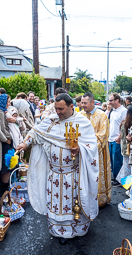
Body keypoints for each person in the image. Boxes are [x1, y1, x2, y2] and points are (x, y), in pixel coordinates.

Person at [16, 93, 99, 245]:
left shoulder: (82, 122)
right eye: (56, 108)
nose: (58, 112)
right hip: (54, 174)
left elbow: (92, 146)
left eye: (61, 109)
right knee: (57, 203)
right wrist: (25, 144)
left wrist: (79, 149)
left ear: (71, 106)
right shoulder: (51, 120)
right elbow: (36, 132)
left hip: (73, 174)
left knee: (71, 203)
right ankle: (59, 230)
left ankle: (76, 229)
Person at [80, 92, 112, 207]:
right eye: (82, 103)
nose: (83, 105)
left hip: (97, 152)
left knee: (97, 175)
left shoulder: (102, 115)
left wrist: (90, 147)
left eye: (85, 103)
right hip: (82, 152)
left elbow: (103, 135)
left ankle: (99, 200)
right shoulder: (81, 115)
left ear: (92, 102)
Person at [108, 93, 127, 185]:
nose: (109, 102)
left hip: (117, 139)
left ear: (117, 100)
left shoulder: (123, 111)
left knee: (117, 161)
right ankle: (115, 177)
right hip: (111, 138)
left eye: (111, 100)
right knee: (112, 160)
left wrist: (119, 137)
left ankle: (119, 180)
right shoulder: (113, 111)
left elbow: (125, 125)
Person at [116, 105, 132, 183]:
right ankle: (127, 185)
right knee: (128, 168)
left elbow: (122, 134)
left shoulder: (124, 122)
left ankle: (124, 183)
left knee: (125, 166)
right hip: (130, 148)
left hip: (124, 147)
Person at [0, 94, 13, 193]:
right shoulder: (1, 113)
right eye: (7, 102)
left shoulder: (4, 112)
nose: (9, 103)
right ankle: (5, 188)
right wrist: (8, 138)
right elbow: (2, 128)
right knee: (6, 165)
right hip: (5, 142)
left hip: (7, 141)